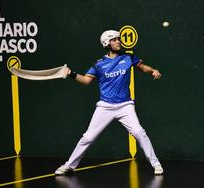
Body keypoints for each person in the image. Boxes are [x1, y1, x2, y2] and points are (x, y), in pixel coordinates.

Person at [55, 30, 163, 175]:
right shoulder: (99, 65)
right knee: (88, 137)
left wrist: (153, 71)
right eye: (115, 39)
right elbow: (86, 80)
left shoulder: (128, 57)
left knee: (139, 132)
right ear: (107, 43)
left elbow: (143, 67)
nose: (119, 41)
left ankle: (156, 165)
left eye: (119, 39)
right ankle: (69, 166)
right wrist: (71, 74)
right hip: (105, 106)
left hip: (125, 105)